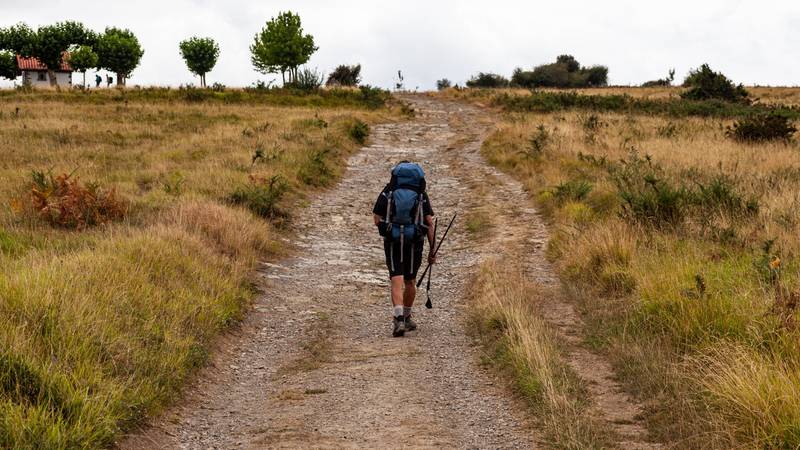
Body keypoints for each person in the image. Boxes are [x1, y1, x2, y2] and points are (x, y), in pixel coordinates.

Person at [373, 161, 436, 337]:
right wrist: (433, 250)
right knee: (410, 281)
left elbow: (377, 219)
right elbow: (429, 222)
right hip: (415, 241)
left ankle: (399, 318)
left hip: (393, 241)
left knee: (396, 279)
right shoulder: (420, 193)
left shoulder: (389, 190)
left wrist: (390, 228)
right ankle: (407, 318)